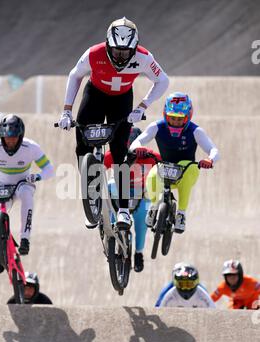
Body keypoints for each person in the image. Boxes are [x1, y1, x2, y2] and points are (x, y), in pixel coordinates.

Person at [58, 16, 169, 230]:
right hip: (95, 95)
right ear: (108, 45)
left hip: (122, 100)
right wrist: (66, 111)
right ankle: (91, 192)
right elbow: (75, 76)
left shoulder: (145, 58)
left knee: (119, 153)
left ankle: (124, 211)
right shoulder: (93, 53)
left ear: (134, 48)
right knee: (82, 144)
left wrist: (142, 107)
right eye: (117, 51)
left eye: (126, 52)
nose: (121, 57)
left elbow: (163, 81)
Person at [0, 114, 55, 273]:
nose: (10, 141)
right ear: (2, 136)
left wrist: (37, 176)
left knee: (27, 195)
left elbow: (49, 169)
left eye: (14, 137)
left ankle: (25, 238)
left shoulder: (31, 148)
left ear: (21, 136)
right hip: (2, 186)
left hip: (22, 184)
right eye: (7, 138)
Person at [129, 91, 220, 233]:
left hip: (186, 172)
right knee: (152, 175)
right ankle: (153, 207)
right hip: (164, 168)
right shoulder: (156, 126)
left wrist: (209, 159)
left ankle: (181, 214)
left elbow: (213, 149)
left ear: (188, 117)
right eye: (172, 118)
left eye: (180, 119)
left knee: (186, 164)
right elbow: (137, 141)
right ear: (165, 115)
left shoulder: (196, 131)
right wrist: (138, 147)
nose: (176, 122)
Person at [104, 127, 161, 272]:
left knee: (141, 222)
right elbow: (97, 168)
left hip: (140, 194)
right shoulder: (114, 153)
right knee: (110, 186)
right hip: (117, 192)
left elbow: (165, 165)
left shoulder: (149, 155)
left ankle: (139, 253)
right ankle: (110, 232)